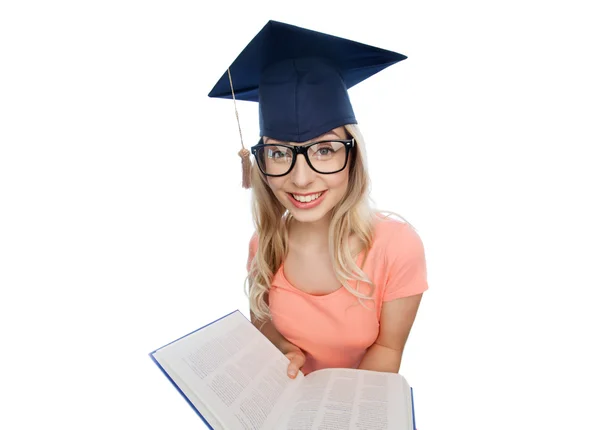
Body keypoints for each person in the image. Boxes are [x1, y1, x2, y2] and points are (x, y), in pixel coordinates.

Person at [209, 20, 429, 379]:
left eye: (324, 150)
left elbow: (388, 350)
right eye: (279, 153)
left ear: (353, 154)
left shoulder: (396, 246)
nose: (300, 178)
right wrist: (280, 349)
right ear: (260, 161)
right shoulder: (265, 244)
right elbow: (263, 324)